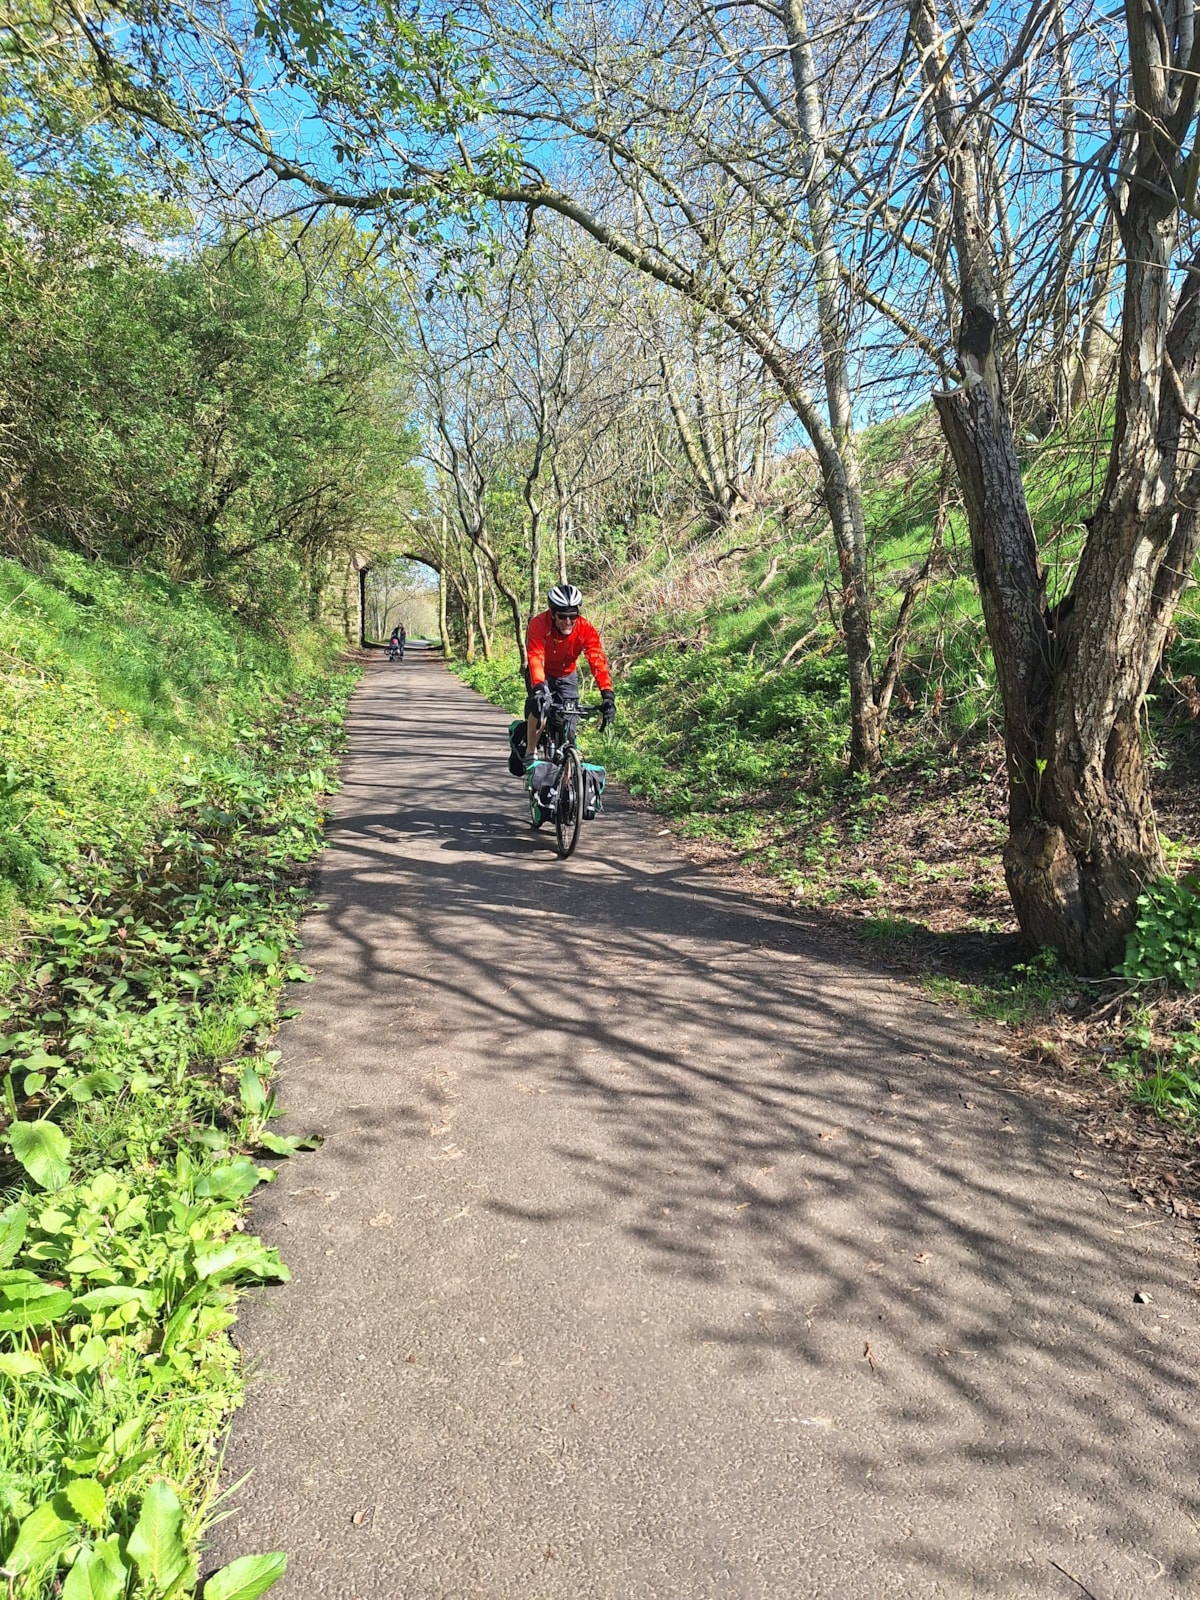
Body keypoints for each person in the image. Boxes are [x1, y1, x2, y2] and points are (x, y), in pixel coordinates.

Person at [522, 583, 615, 771]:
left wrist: (607, 694)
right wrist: (539, 688)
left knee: (569, 731)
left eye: (573, 616)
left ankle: (567, 783)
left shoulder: (585, 629)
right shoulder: (539, 624)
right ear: (552, 613)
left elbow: (597, 660)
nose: (568, 621)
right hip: (542, 674)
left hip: (567, 676)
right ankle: (530, 752)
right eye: (563, 616)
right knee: (542, 712)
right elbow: (536, 657)